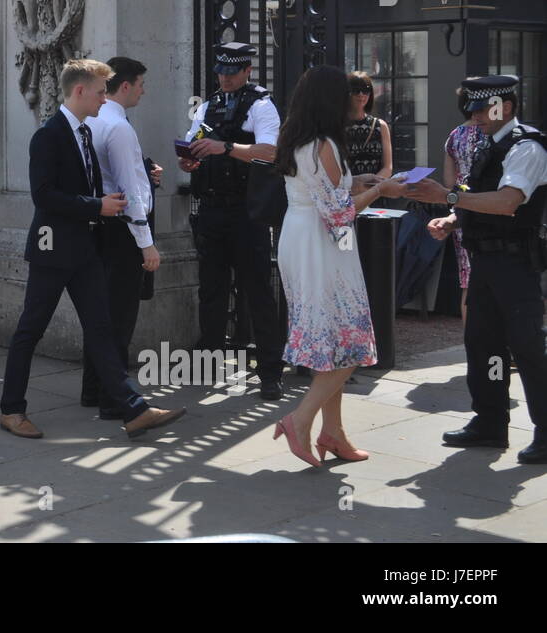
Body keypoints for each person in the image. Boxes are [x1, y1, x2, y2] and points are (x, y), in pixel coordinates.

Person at [0, 59, 184, 440]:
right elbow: (44, 196)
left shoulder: (84, 132)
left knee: (101, 329)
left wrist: (131, 181)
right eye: (101, 91)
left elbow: (91, 181)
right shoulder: (48, 135)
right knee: (30, 330)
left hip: (84, 249)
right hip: (53, 250)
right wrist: (96, 205)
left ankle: (133, 409)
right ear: (80, 91)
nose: (105, 99)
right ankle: (12, 410)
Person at [408, 75, 547, 465]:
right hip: (485, 261)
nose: (474, 118)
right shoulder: (491, 145)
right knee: (485, 344)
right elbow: (475, 198)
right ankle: (490, 421)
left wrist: (449, 197)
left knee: (528, 348)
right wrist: (453, 218)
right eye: (471, 111)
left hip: (515, 264)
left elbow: (507, 202)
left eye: (481, 110)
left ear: (505, 107)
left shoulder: (527, 148)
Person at [272, 65, 405, 467]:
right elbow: (337, 212)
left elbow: (323, 191)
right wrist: (382, 188)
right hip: (323, 242)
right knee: (347, 340)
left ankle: (334, 432)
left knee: (330, 339)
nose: (354, 98)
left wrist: (359, 179)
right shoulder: (325, 143)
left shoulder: (298, 136)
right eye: (347, 93)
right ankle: (301, 420)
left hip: (301, 236)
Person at [179, 42, 285, 399]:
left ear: (247, 72)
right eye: (220, 72)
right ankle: (209, 359)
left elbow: (270, 153)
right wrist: (191, 158)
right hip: (211, 210)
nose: (224, 78)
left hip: (247, 212)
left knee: (258, 291)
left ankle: (270, 371)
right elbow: (195, 143)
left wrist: (224, 147)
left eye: (231, 72)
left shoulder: (261, 106)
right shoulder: (208, 104)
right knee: (211, 290)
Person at [83, 56, 159, 419]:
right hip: (123, 230)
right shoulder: (118, 126)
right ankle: (112, 398)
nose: (144, 92)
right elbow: (129, 189)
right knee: (120, 315)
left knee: (100, 312)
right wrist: (146, 244)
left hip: (100, 225)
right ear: (125, 85)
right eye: (141, 84)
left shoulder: (93, 120)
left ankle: (92, 388)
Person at [434, 87, 487, 323]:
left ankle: (470, 342)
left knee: (468, 281)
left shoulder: (454, 136)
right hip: (490, 208)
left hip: (461, 211)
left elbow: (448, 182)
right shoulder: (492, 134)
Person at [344, 71, 393, 178]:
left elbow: (387, 168)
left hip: (375, 191)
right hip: (346, 191)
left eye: (366, 90)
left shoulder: (380, 126)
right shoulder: (337, 125)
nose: (361, 94)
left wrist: (370, 187)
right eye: (356, 90)